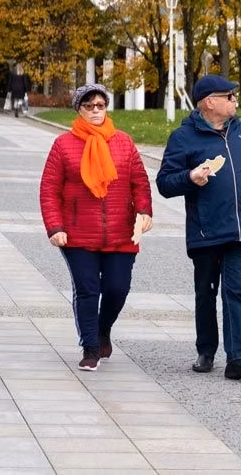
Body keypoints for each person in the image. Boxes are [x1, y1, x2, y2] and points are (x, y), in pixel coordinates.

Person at [156, 74, 241, 380]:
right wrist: (189, 178)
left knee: (234, 292)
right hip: (206, 231)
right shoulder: (184, 138)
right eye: (230, 96)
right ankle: (206, 350)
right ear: (210, 102)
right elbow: (164, 183)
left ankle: (237, 359)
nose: (235, 101)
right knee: (206, 293)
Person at [39, 83, 153, 371]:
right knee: (88, 289)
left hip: (121, 232)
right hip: (78, 234)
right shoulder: (63, 145)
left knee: (117, 289)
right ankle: (90, 346)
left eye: (100, 105)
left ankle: (103, 329)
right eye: (89, 106)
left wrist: (144, 211)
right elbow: (50, 189)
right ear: (79, 109)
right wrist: (55, 227)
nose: (95, 111)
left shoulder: (123, 142)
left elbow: (139, 181)